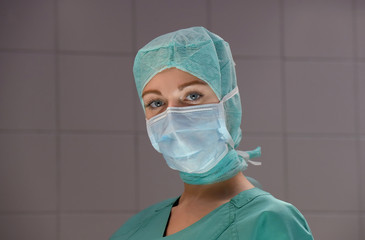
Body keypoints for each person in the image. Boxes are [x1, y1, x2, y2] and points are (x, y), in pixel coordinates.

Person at [110, 26, 313, 240]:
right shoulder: (133, 231)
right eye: (156, 102)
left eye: (193, 96)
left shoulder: (269, 222)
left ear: (228, 103)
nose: (173, 116)